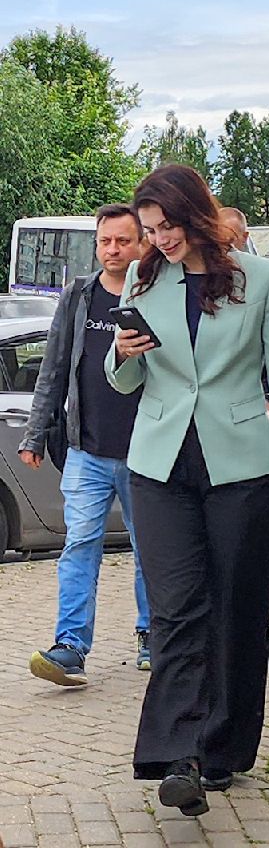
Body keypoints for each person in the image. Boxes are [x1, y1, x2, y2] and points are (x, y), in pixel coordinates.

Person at [107, 164, 269, 817]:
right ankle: (180, 757)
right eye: (149, 230)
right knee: (176, 611)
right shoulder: (145, 279)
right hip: (159, 465)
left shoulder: (263, 281)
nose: (158, 239)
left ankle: (223, 749)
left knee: (236, 613)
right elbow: (123, 384)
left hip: (242, 468)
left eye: (166, 226)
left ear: (195, 215)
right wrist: (124, 352)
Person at [20, 204, 151, 686]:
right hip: (86, 451)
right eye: (105, 242)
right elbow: (52, 369)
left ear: (142, 244)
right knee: (79, 544)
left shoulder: (154, 295)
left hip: (146, 453)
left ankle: (152, 634)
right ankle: (70, 647)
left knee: (150, 548)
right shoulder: (78, 296)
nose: (112, 250)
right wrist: (35, 435)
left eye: (122, 241)